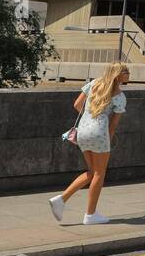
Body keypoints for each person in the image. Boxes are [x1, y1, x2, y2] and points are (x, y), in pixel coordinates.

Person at [50, 62, 129, 225]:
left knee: (92, 172)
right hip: (99, 133)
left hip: (82, 132)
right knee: (100, 174)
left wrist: (89, 118)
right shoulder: (119, 96)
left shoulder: (93, 83)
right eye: (125, 71)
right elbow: (112, 126)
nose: (129, 73)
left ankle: (61, 199)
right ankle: (90, 214)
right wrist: (106, 137)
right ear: (117, 75)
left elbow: (77, 104)